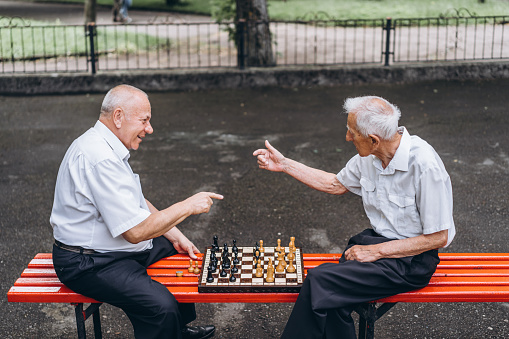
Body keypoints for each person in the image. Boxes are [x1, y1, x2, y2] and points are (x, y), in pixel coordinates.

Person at [253, 96, 456, 339]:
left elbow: (438, 237)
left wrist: (377, 252)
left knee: (320, 281)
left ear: (373, 140)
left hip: (411, 262)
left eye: (352, 133)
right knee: (333, 301)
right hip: (377, 246)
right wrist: (285, 164)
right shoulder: (370, 157)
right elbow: (334, 184)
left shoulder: (424, 164)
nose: (347, 138)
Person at [50, 84, 222, 339]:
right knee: (159, 308)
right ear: (118, 117)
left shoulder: (105, 145)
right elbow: (135, 231)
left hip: (108, 250)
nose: (149, 129)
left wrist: (176, 236)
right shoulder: (100, 157)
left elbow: (137, 201)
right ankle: (167, 324)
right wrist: (187, 206)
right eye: (144, 120)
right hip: (88, 262)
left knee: (177, 254)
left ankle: (176, 331)